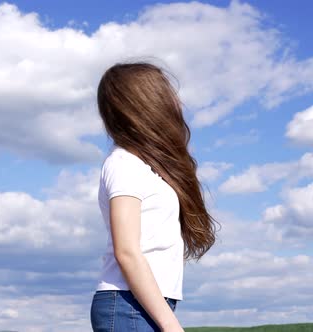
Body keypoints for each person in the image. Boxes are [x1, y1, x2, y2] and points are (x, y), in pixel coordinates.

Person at [90, 60, 221, 332]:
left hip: (137, 304)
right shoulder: (124, 163)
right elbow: (126, 251)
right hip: (128, 304)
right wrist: (170, 325)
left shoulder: (144, 167)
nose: (177, 103)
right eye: (168, 93)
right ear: (148, 102)